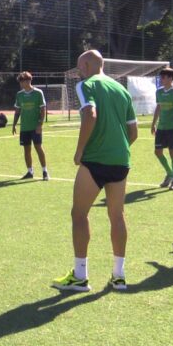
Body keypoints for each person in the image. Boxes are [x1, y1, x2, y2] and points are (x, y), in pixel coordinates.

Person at [52, 50, 137, 292]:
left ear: (88, 64)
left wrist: (80, 150)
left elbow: (90, 113)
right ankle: (119, 276)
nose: (79, 72)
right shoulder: (122, 90)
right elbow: (133, 133)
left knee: (79, 215)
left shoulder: (85, 85)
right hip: (121, 161)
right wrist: (116, 149)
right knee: (117, 216)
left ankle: (80, 276)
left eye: (80, 67)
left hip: (94, 161)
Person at [12, 71, 49, 180]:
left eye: (22, 82)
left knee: (38, 148)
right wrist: (14, 124)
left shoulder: (38, 93)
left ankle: (45, 171)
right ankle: (30, 172)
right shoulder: (19, 95)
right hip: (24, 128)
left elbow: (43, 110)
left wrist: (40, 124)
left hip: (35, 127)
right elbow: (18, 111)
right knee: (26, 150)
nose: (20, 84)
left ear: (28, 81)